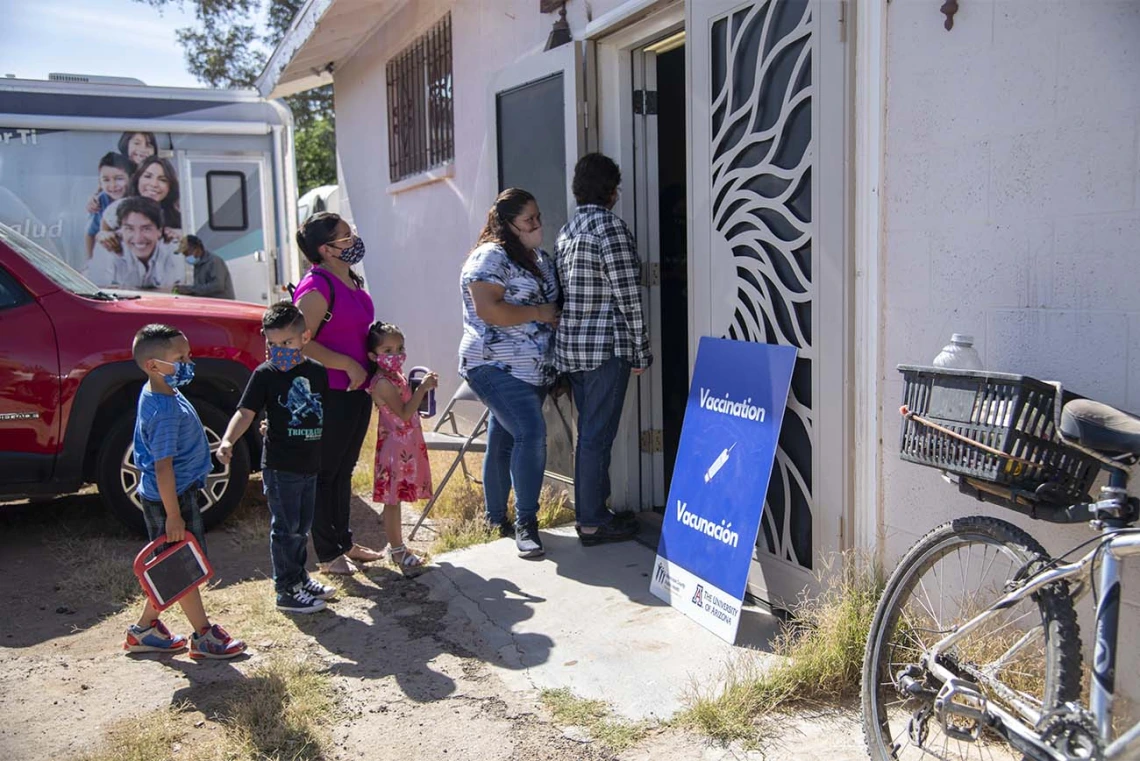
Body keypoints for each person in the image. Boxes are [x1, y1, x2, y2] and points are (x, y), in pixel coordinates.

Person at [123, 324, 247, 659]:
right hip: (170, 499)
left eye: (188, 355)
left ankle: (144, 630)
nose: (189, 362)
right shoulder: (163, 410)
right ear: (153, 365)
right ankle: (203, 635)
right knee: (182, 569)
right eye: (181, 357)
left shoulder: (160, 390)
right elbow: (163, 467)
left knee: (173, 567)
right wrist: (173, 515)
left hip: (174, 494)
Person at [554, 153, 651, 546]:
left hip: (573, 350)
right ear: (612, 191)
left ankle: (596, 511)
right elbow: (628, 295)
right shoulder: (610, 228)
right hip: (605, 349)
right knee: (596, 435)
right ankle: (592, 521)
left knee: (588, 434)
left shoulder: (568, 229)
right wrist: (642, 352)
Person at [459, 188, 560, 559]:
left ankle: (494, 519)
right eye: (528, 219)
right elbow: (488, 308)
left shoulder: (537, 258)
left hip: (533, 370)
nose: (538, 224)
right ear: (508, 224)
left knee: (503, 438)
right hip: (493, 365)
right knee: (531, 432)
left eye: (537, 216)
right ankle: (526, 523)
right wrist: (538, 313)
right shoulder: (491, 256)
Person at [217, 302, 336, 614]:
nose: (280, 350)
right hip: (281, 467)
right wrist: (229, 439)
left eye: (288, 343)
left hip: (309, 465)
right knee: (286, 528)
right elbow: (245, 412)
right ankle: (286, 589)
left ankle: (299, 578)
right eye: (273, 344)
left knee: (302, 525)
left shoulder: (316, 372)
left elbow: (322, 415)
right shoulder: (264, 375)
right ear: (264, 339)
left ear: (305, 338)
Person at [292, 212, 383, 575]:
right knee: (325, 472)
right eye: (345, 236)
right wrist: (346, 363)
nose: (353, 240)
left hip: (356, 390)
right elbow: (298, 344)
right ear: (325, 249)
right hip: (328, 391)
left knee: (343, 470)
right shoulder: (315, 289)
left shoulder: (350, 280)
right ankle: (328, 554)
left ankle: (344, 542)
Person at [366, 321, 436, 575]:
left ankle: (399, 546)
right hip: (394, 448)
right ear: (374, 356)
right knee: (392, 500)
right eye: (387, 350)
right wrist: (423, 389)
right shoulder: (383, 382)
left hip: (406, 444)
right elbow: (405, 412)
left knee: (398, 499)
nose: (395, 355)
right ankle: (396, 549)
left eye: (399, 348)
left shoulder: (396, 376)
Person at [87, 197, 185, 290]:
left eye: (146, 229)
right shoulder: (108, 245)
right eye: (129, 229)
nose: (138, 238)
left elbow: (175, 293)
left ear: (159, 231)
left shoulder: (173, 248)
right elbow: (97, 292)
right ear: (121, 230)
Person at [97, 155, 183, 245]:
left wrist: (183, 234)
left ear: (170, 186)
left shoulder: (179, 210)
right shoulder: (118, 207)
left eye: (162, 179)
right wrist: (105, 235)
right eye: (148, 176)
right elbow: (103, 233)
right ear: (137, 179)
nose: (154, 184)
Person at [84, 152, 132, 259]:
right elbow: (90, 233)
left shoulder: (137, 198)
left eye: (119, 179)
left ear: (131, 178)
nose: (113, 185)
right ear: (100, 182)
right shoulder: (101, 201)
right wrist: (90, 262)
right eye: (106, 180)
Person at [173, 235, 235, 299]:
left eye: (187, 253)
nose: (186, 256)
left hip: (221, 304)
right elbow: (200, 289)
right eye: (184, 254)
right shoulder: (198, 264)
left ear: (197, 248)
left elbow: (218, 286)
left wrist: (189, 290)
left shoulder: (214, 261)